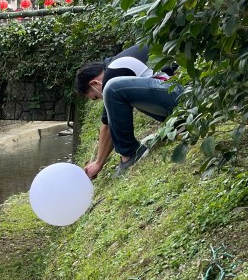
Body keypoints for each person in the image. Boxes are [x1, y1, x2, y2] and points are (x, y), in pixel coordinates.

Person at [74, 44, 182, 180]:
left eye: (96, 97)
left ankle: (130, 153)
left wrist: (98, 163)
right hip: (181, 94)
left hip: (183, 93)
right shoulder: (120, 64)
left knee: (112, 89)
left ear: (94, 83)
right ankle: (179, 121)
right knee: (130, 97)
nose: (101, 99)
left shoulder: (113, 71)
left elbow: (107, 125)